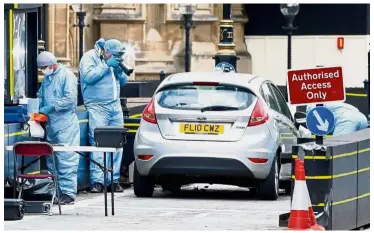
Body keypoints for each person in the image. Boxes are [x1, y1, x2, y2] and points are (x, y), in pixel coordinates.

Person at [79, 38, 128, 193]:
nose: (115, 58)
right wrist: (105, 66)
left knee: (117, 144)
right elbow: (87, 77)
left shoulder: (114, 60)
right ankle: (97, 181)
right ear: (106, 52)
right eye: (113, 56)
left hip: (115, 105)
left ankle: (113, 179)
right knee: (98, 143)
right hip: (97, 106)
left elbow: (124, 82)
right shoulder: (89, 57)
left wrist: (120, 71)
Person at [36, 51, 80, 205]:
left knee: (66, 159)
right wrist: (38, 106)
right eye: (41, 68)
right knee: (52, 159)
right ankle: (55, 192)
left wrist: (51, 107)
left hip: (66, 124)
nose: (43, 70)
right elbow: (41, 94)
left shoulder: (67, 76)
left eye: (44, 67)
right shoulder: (48, 78)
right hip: (52, 124)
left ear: (52, 64)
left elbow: (69, 99)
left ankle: (68, 194)